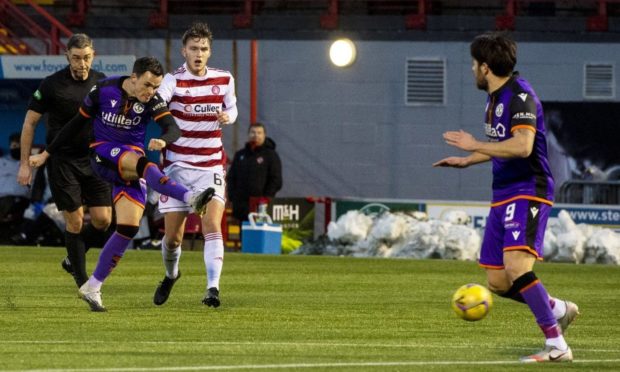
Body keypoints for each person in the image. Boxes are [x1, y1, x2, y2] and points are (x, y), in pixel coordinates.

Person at [433, 32, 579, 363]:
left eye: (473, 64)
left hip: (529, 189)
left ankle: (557, 346)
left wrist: (474, 145)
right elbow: (503, 144)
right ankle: (556, 308)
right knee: (497, 281)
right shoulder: (494, 99)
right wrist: (469, 160)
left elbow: (523, 146)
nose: (472, 70)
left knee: (516, 265)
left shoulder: (520, 96)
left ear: (485, 68)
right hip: (503, 193)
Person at [29, 56, 215, 312]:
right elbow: (75, 125)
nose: (151, 92)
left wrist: (163, 140)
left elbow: (172, 128)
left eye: (156, 86)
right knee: (144, 164)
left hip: (129, 163)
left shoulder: (153, 100)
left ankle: (93, 286)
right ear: (134, 77)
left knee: (128, 227)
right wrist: (46, 153)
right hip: (102, 153)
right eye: (147, 85)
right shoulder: (103, 89)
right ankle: (190, 198)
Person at [152, 22, 237, 308]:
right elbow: (158, 102)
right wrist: (163, 134)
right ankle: (171, 274)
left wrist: (229, 117)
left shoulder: (224, 79)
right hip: (176, 168)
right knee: (173, 239)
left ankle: (212, 289)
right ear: (183, 51)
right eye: (193, 49)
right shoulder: (172, 81)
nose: (198, 54)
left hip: (210, 166)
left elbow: (233, 107)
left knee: (211, 224)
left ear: (209, 52)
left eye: (203, 49)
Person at [16, 33, 112, 287]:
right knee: (76, 220)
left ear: (94, 55)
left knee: (103, 220)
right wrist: (25, 164)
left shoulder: (101, 82)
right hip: (62, 160)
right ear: (67, 56)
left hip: (94, 159)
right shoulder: (51, 84)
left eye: (87, 58)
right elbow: (30, 122)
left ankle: (73, 258)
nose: (82, 64)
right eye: (77, 58)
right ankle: (83, 283)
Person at [227, 122, 283, 222]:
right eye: (253, 132)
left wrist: (266, 198)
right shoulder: (240, 155)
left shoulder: (271, 155)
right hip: (241, 206)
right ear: (248, 134)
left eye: (259, 133)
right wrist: (232, 197)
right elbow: (231, 177)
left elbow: (276, 179)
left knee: (258, 234)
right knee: (243, 235)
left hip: (261, 206)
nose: (256, 135)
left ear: (264, 135)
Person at [0, 133, 30, 224]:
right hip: (3, 197)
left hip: (21, 198)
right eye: (14, 145)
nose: (17, 148)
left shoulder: (31, 163)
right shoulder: (2, 161)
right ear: (10, 146)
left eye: (20, 145)